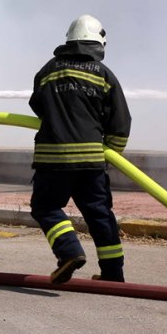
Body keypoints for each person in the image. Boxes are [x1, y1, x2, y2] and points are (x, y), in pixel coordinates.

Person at [29, 15, 131, 284]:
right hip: (91, 161)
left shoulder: (47, 70)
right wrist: (111, 153)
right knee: (99, 214)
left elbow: (36, 104)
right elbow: (120, 122)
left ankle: (69, 251)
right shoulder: (104, 74)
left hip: (53, 158)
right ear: (98, 43)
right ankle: (112, 274)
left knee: (47, 207)